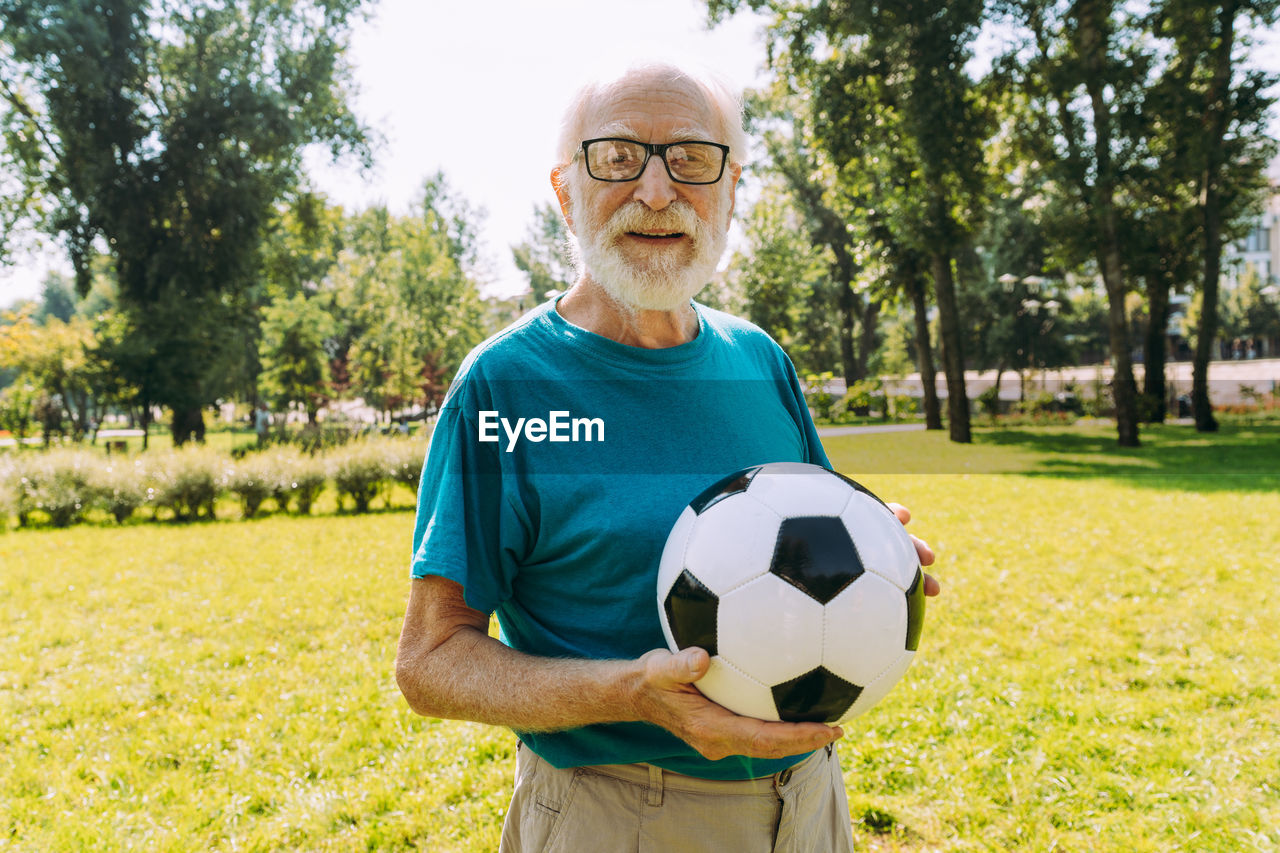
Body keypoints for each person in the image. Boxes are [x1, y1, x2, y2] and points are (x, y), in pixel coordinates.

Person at [395, 62, 940, 852]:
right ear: (564, 191)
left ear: (730, 189)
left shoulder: (758, 359)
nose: (655, 191)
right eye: (617, 157)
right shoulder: (505, 387)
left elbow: (796, 530)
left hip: (812, 802)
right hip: (619, 814)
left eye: (691, 159)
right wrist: (634, 692)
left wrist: (871, 550)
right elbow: (431, 662)